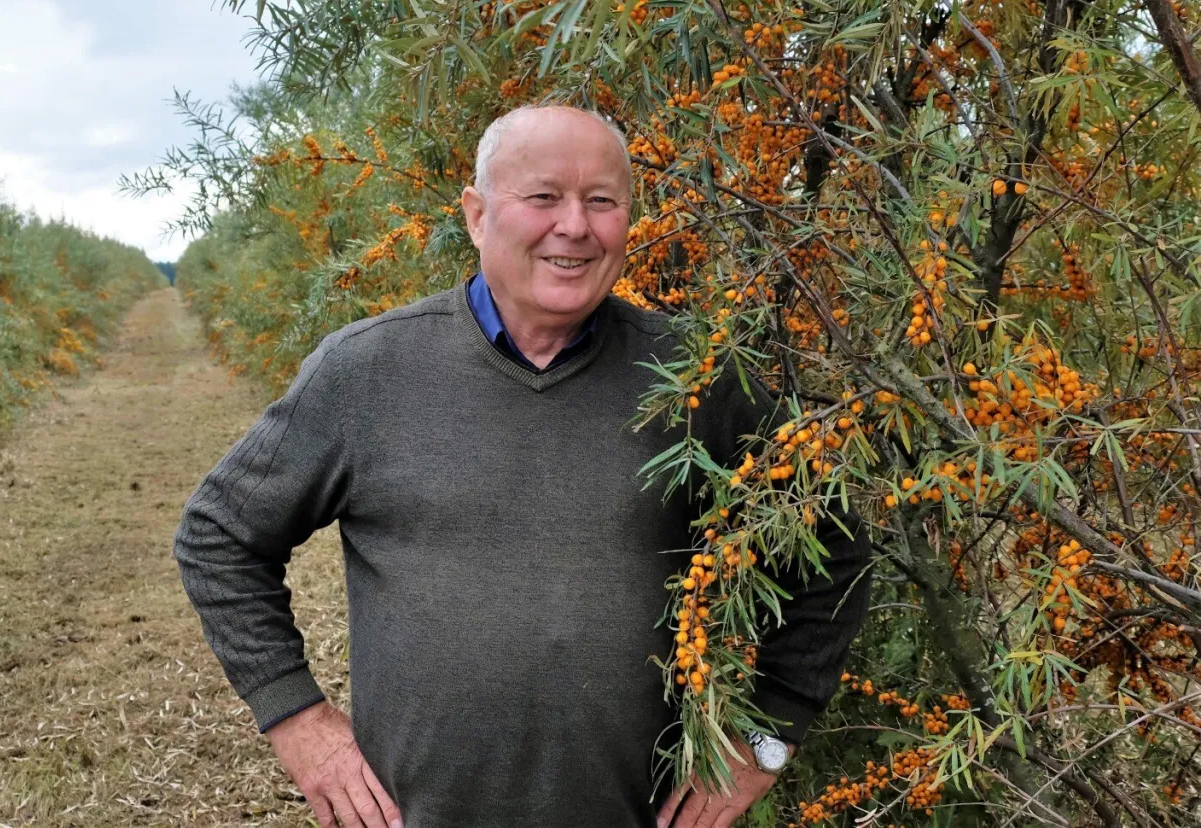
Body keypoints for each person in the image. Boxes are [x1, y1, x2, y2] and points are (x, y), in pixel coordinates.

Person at [173, 104, 871, 828]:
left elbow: (836, 553)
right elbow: (219, 537)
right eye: (542, 197)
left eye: (601, 201)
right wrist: (298, 720)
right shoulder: (366, 373)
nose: (574, 226)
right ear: (476, 215)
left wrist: (765, 738)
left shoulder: (696, 380)